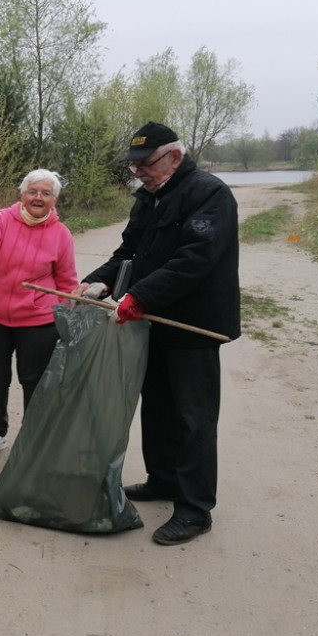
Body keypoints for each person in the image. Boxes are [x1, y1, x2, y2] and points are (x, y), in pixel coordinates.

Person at [73, 121, 240, 546]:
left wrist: (140, 296)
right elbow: (128, 253)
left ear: (175, 157)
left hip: (193, 327)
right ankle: (163, 480)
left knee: (193, 418)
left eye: (146, 164)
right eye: (135, 167)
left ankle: (194, 508)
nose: (139, 173)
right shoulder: (147, 200)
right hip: (151, 324)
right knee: (159, 408)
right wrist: (98, 283)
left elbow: (194, 260)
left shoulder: (209, 194)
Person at [0, 169, 79, 458]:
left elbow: (67, 283)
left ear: (55, 200)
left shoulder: (61, 235)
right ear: (22, 195)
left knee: (34, 382)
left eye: (45, 193)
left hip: (38, 322)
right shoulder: (3, 219)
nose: (38, 198)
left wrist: (68, 319)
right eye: (33, 192)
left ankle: (32, 437)